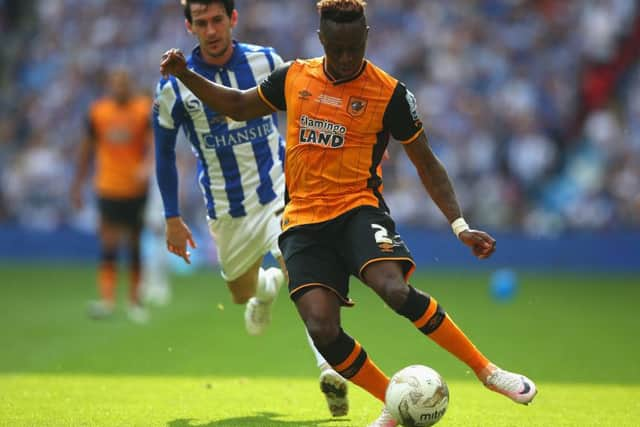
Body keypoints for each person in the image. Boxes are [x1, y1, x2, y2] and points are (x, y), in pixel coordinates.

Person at [160, 0, 539, 425]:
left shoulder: (390, 94)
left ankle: (488, 372)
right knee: (322, 329)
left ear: (366, 38)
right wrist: (185, 74)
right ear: (322, 40)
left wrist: (460, 225)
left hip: (358, 209)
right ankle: (393, 402)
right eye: (337, 49)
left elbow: (426, 162)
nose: (345, 59)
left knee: (394, 290)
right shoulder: (295, 76)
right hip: (302, 222)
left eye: (354, 49)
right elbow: (237, 106)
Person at [153, 0, 349, 417]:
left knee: (306, 275)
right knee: (241, 293)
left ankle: (329, 368)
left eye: (217, 20)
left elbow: (308, 109)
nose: (211, 30)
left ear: (233, 19)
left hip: (282, 193)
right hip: (227, 211)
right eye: (201, 23)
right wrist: (172, 217)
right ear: (189, 27)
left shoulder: (267, 61)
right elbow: (163, 153)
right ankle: (264, 289)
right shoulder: (173, 87)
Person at [71, 69, 152, 324]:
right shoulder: (98, 112)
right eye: (115, 84)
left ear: (130, 86)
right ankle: (107, 300)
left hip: (136, 188)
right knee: (108, 243)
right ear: (109, 86)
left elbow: (154, 145)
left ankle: (135, 302)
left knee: (135, 244)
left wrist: (146, 167)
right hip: (107, 186)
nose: (119, 88)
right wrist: (77, 183)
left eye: (124, 83)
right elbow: (86, 148)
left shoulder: (142, 110)